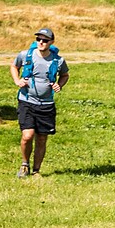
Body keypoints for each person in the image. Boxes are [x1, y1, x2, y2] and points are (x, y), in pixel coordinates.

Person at [11, 27, 68, 177]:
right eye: (38, 39)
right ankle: (24, 165)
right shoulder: (25, 55)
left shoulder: (58, 60)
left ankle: (36, 171)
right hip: (26, 101)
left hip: (46, 105)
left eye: (45, 40)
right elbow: (14, 66)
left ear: (51, 42)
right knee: (27, 136)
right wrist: (17, 80)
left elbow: (65, 75)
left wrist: (59, 85)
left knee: (42, 138)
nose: (41, 42)